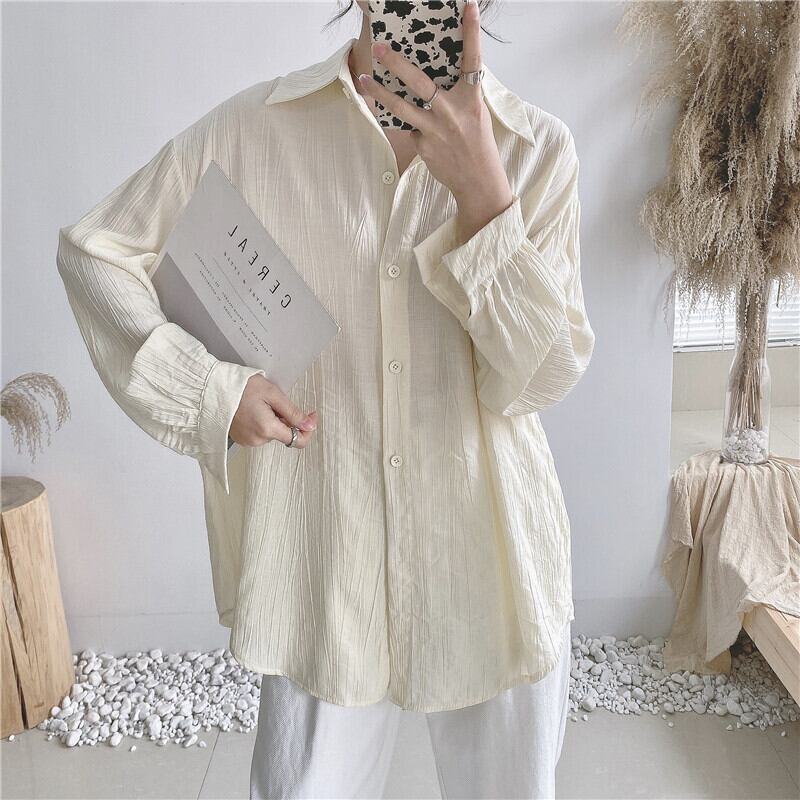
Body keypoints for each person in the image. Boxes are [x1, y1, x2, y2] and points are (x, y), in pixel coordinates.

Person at [56, 0, 595, 797]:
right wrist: (211, 391)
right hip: (320, 557)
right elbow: (96, 253)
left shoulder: (536, 150)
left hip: (491, 561)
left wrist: (486, 200)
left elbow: (539, 379)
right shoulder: (255, 130)